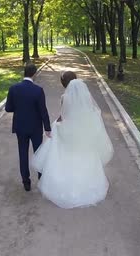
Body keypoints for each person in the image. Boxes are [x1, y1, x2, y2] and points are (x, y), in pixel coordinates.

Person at [32, 75, 114, 209]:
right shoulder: (86, 97)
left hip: (69, 131)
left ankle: (65, 185)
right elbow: (91, 112)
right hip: (83, 130)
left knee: (66, 154)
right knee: (84, 155)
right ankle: (86, 184)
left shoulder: (65, 97)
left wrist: (56, 124)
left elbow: (63, 116)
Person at [5, 63, 51, 192]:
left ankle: (26, 182)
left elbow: (8, 108)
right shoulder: (38, 90)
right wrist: (47, 128)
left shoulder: (13, 88)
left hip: (20, 127)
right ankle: (41, 180)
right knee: (39, 153)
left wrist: (19, 108)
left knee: (23, 154)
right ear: (34, 74)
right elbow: (43, 111)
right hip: (36, 128)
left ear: (24, 73)